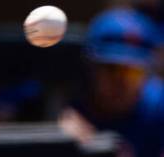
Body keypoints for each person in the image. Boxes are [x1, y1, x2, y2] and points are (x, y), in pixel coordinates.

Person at [61, 9, 164, 157]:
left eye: (133, 72)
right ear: (92, 68)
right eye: (112, 69)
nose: (122, 82)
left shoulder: (159, 107)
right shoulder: (68, 104)